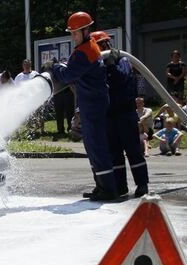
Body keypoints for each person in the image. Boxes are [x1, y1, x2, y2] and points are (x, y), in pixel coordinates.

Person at [49, 11, 118, 201]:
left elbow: (67, 76)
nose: (73, 36)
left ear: (86, 30)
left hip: (92, 104)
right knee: (93, 146)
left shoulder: (84, 51)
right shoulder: (88, 46)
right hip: (94, 102)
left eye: (76, 32)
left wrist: (54, 67)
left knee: (96, 146)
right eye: (71, 33)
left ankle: (108, 189)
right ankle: (101, 186)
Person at [92, 30, 148, 198]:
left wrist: (111, 66)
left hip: (125, 112)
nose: (104, 47)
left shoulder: (121, 60)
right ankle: (120, 186)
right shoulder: (97, 65)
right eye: (100, 44)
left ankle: (142, 184)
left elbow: (122, 77)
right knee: (114, 152)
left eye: (105, 44)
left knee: (132, 149)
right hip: (109, 115)